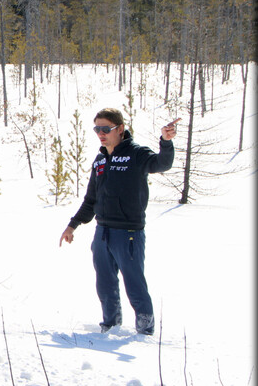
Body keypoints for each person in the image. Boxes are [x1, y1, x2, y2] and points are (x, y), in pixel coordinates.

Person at [59, 108, 179, 336]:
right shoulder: (100, 159)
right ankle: (110, 327)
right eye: (97, 129)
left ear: (120, 129)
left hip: (129, 233)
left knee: (134, 285)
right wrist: (73, 225)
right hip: (102, 232)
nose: (101, 134)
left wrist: (166, 141)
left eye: (106, 129)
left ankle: (145, 332)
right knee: (105, 285)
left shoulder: (136, 153)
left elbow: (161, 164)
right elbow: (91, 199)